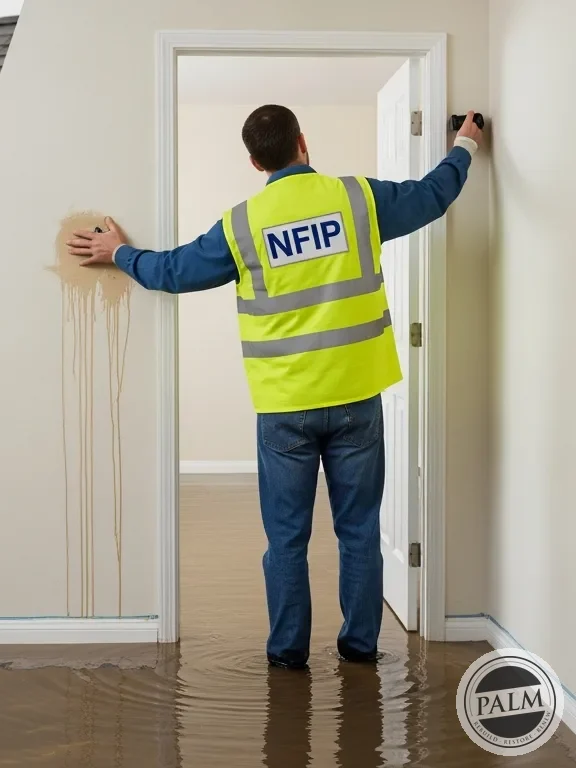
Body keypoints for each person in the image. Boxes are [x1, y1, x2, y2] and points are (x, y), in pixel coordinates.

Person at [65, 107, 483, 670]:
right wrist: (464, 143)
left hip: (284, 407)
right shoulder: (357, 199)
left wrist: (117, 252)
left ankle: (288, 655)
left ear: (256, 162)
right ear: (303, 143)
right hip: (357, 397)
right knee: (358, 530)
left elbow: (174, 271)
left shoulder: (242, 225)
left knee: (287, 540)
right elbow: (433, 194)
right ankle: (359, 648)